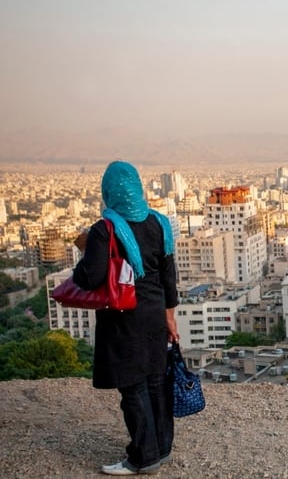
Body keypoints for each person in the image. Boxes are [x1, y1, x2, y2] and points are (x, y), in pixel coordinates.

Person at [73, 161, 179, 475]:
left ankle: (143, 457)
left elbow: (90, 277)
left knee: (133, 388)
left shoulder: (104, 229)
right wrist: (169, 317)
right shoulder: (159, 223)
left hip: (123, 319)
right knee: (157, 383)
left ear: (109, 192)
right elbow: (168, 278)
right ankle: (160, 448)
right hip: (154, 315)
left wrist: (84, 250)